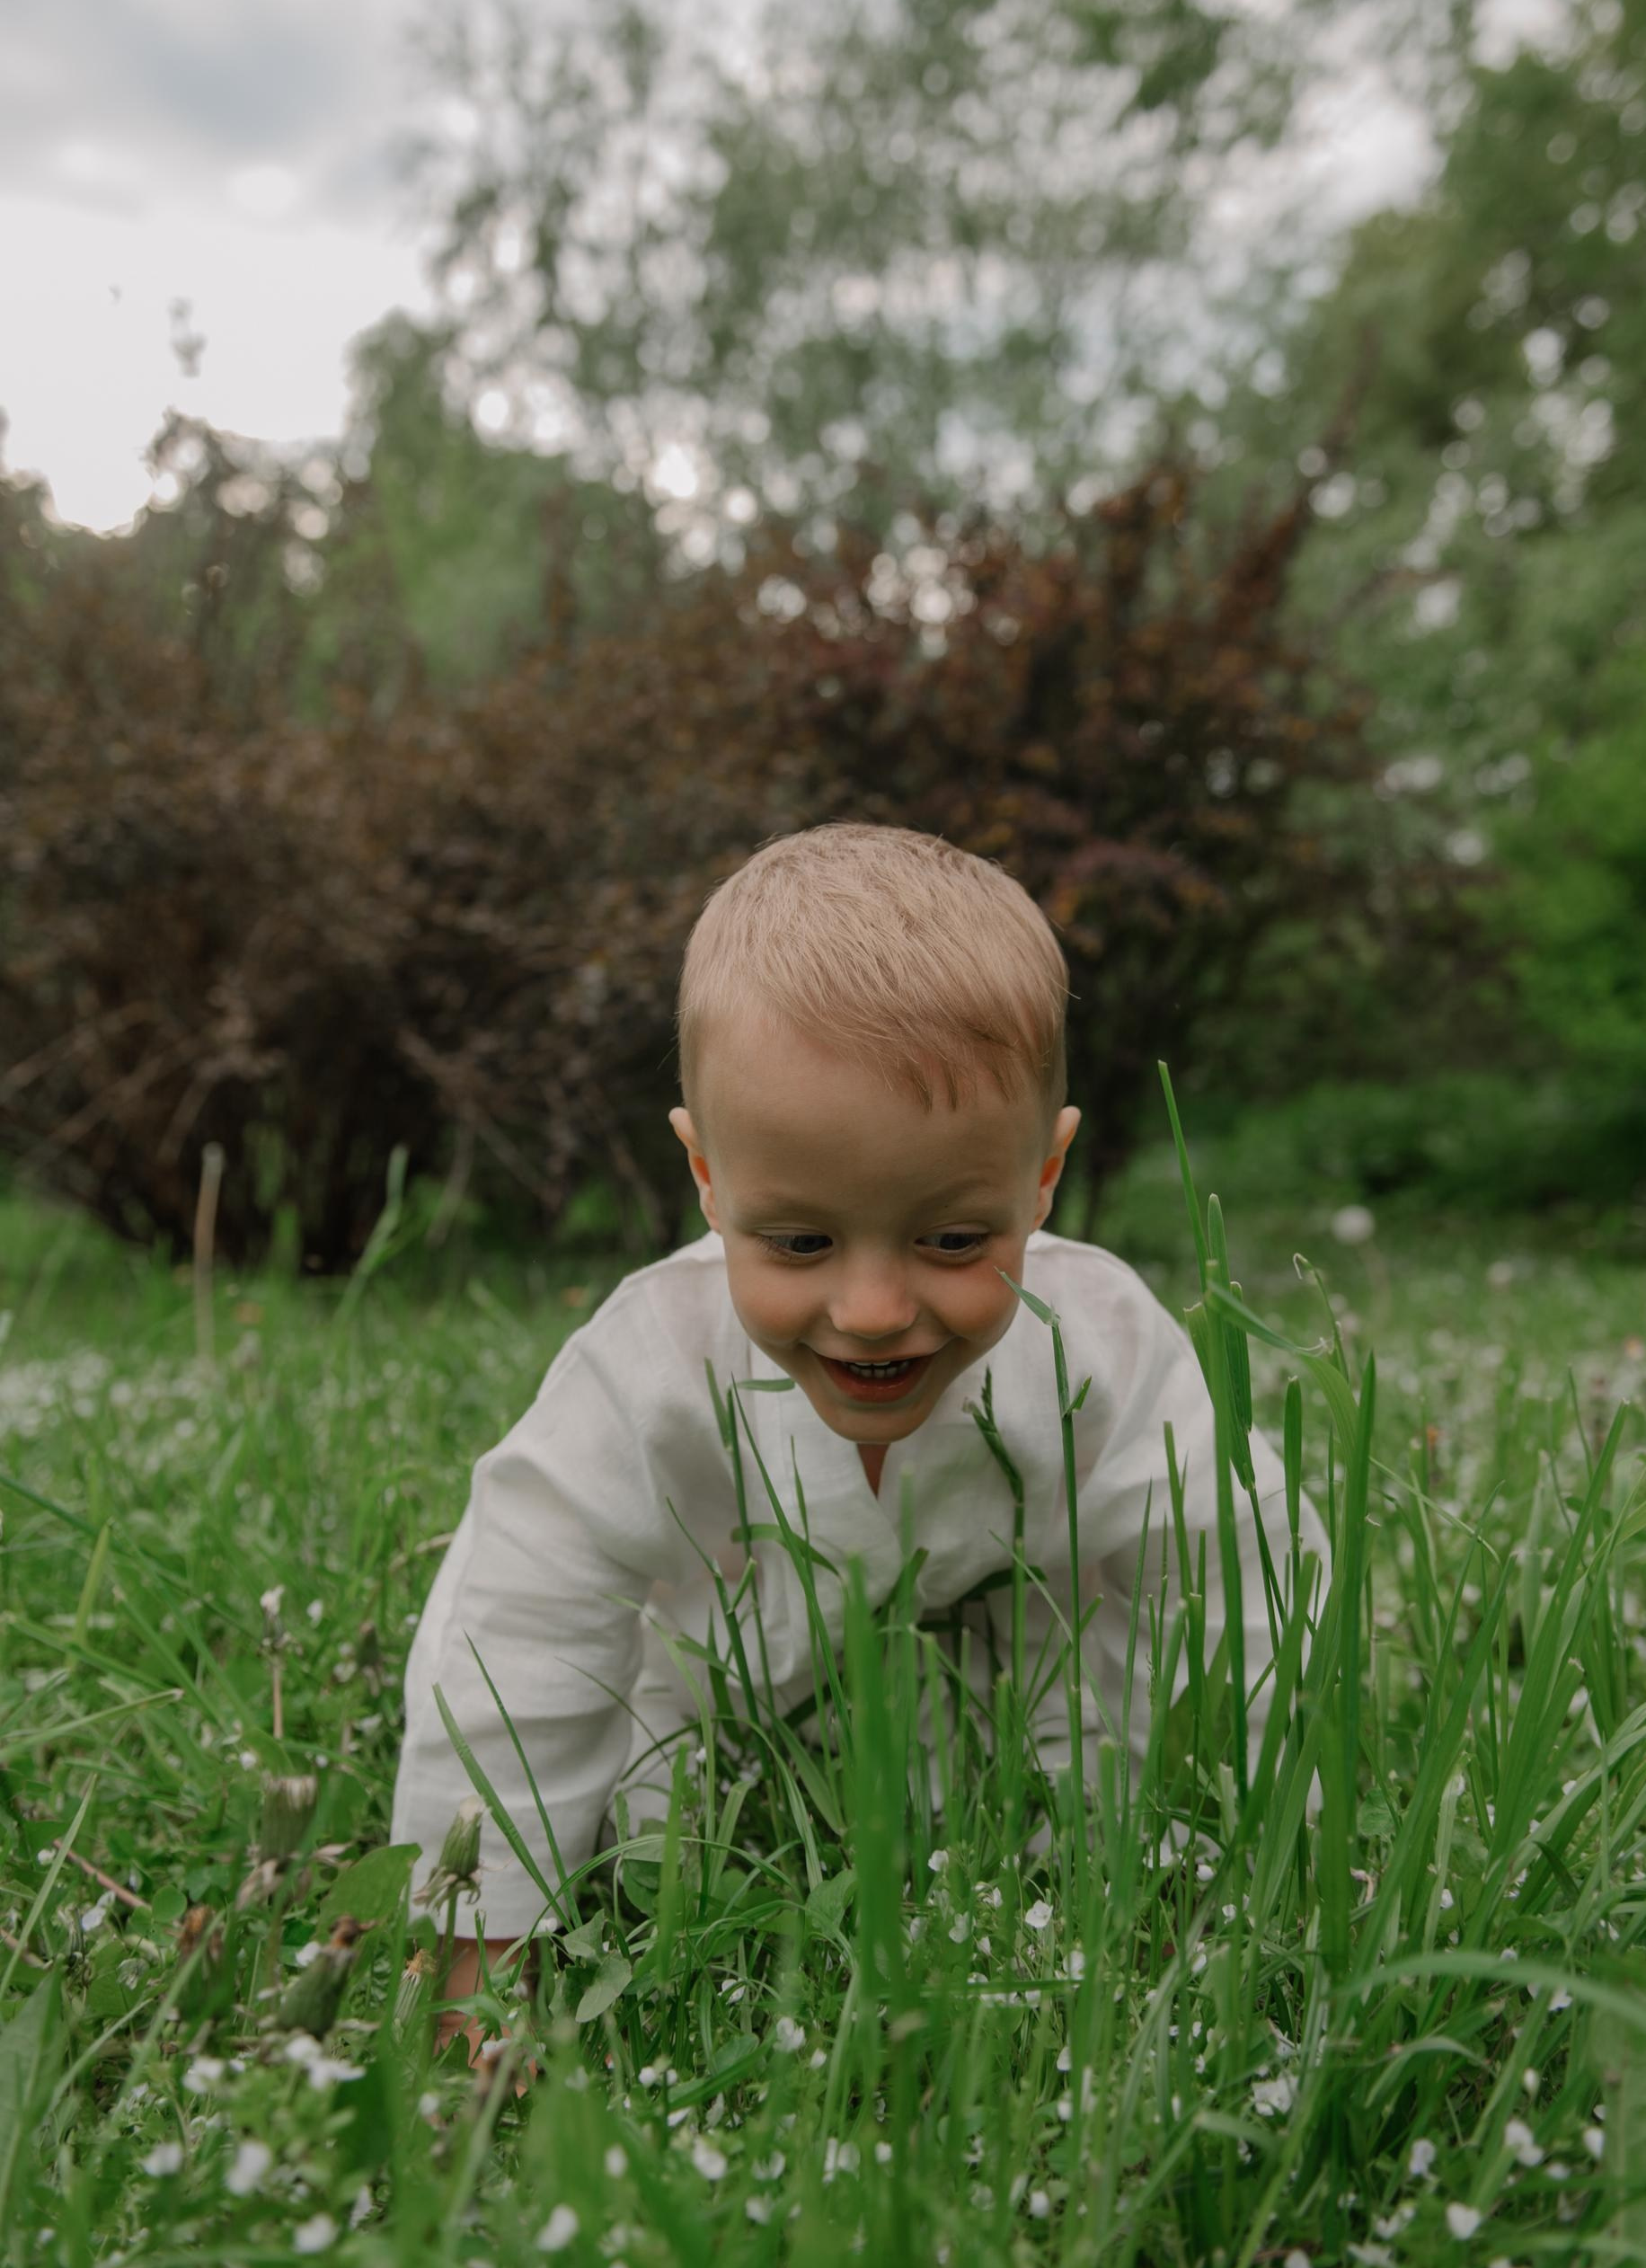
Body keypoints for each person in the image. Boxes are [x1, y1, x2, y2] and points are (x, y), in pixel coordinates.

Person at [392, 822, 1318, 2051]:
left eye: (952, 1239)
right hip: (715, 1702)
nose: (874, 1309)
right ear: (708, 1176)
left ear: (1042, 1175)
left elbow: (1232, 1578)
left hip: (1003, 1696)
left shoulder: (1102, 1351)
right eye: (800, 1242)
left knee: (1075, 1767)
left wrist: (1231, 1846)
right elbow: (523, 1626)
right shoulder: (649, 1371)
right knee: (653, 1809)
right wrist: (483, 1938)